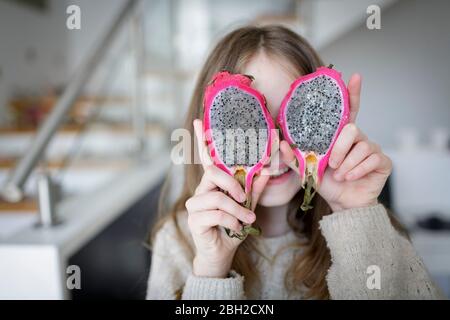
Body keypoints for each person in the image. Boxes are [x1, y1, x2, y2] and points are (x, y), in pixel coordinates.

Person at [146, 25, 443, 299]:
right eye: (247, 125)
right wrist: (211, 269)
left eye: (296, 120)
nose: (274, 152)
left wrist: (355, 216)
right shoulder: (178, 241)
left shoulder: (374, 231)